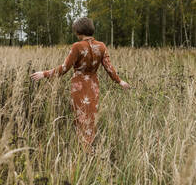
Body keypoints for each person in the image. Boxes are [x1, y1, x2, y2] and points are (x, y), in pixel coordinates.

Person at [30, 17, 130, 152]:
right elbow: (109, 68)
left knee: (80, 116)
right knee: (91, 116)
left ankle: (83, 149)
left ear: (78, 31)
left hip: (79, 86)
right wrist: (119, 81)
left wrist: (45, 74)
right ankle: (89, 147)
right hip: (94, 86)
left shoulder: (77, 46)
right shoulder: (101, 46)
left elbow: (64, 68)